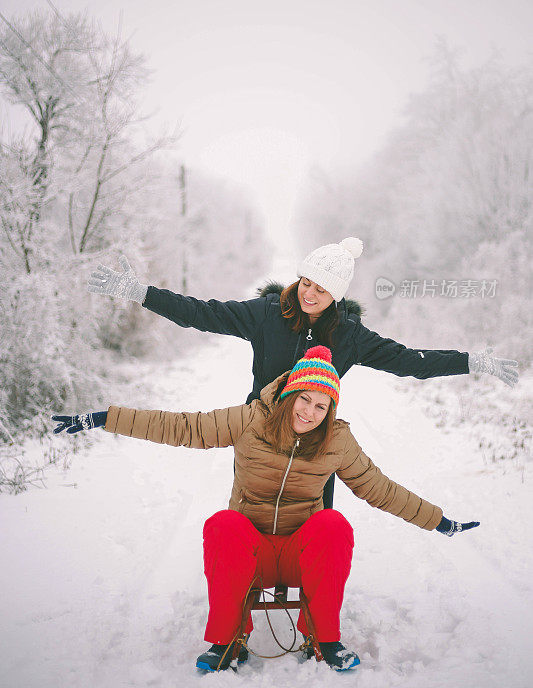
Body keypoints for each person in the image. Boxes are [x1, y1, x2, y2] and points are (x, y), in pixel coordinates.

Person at [53, 346, 480, 673]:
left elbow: (379, 488)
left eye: (322, 405)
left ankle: (325, 640)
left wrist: (438, 521)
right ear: (289, 392)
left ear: (331, 409)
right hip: (249, 553)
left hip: (298, 554)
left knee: (333, 524)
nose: (310, 412)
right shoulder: (249, 420)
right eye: (305, 399)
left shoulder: (337, 441)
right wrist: (104, 417)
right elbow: (180, 426)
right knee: (223, 524)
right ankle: (226, 642)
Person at [87, 238, 519, 507]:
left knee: (314, 524)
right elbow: (201, 313)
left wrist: (471, 361)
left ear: (337, 294)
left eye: (323, 288)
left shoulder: (349, 335)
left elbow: (409, 362)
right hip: (259, 431)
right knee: (252, 516)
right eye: (307, 281)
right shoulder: (266, 314)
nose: (311, 293)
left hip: (316, 441)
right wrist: (139, 292)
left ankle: (315, 605)